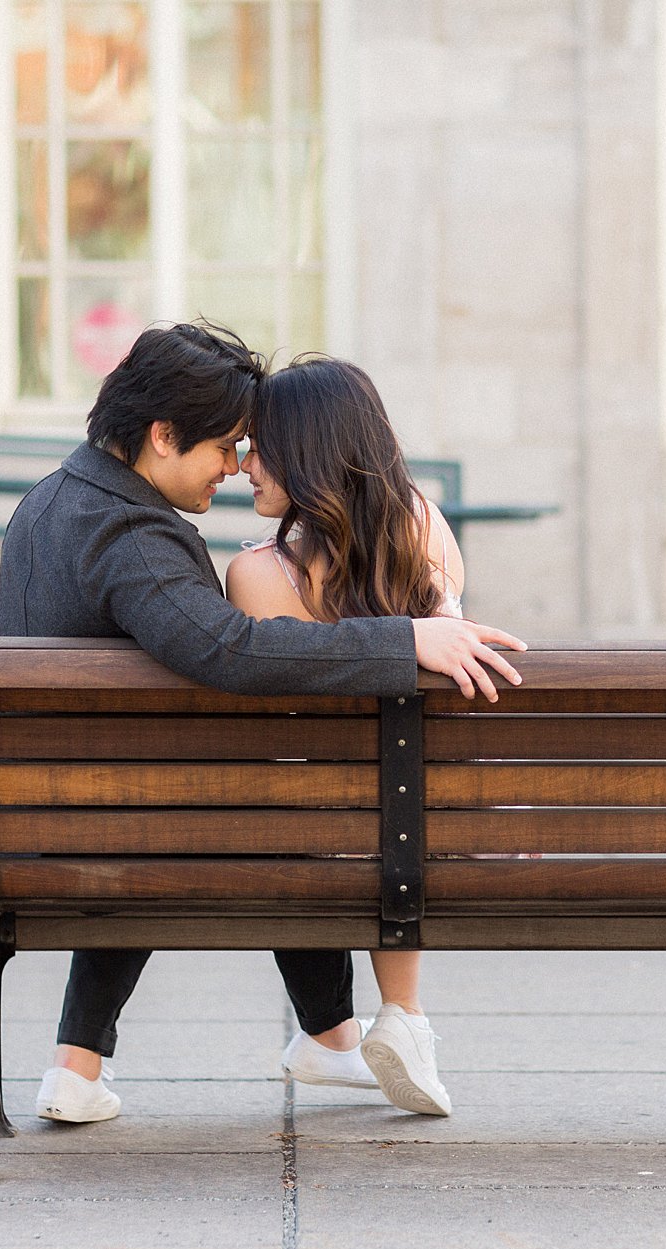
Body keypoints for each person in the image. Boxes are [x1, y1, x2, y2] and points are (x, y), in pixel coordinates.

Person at [0, 322, 526, 1125]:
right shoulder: (132, 538)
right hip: (113, 824)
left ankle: (84, 1062)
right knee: (281, 809)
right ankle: (335, 1033)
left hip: (50, 815)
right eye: (225, 446)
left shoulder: (45, 505)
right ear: (163, 435)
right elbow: (233, 649)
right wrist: (405, 637)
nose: (233, 467)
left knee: (245, 798)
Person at [225, 357, 464, 1117]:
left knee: (303, 811)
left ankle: (332, 1034)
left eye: (258, 445)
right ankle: (406, 1014)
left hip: (311, 829)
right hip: (426, 821)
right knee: (400, 797)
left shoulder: (255, 575)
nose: (243, 464)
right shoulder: (425, 529)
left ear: (307, 451)